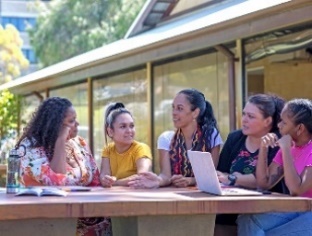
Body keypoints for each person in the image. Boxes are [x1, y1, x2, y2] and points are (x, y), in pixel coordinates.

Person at [16, 97, 111, 236]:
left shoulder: (79, 143)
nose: (77, 124)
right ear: (56, 124)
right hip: (51, 221)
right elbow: (56, 181)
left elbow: (94, 179)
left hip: (89, 217)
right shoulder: (30, 147)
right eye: (71, 121)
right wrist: (60, 139)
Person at [237, 98, 312, 236]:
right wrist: (263, 148)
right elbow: (264, 183)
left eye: (284, 122)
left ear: (300, 128)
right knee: (247, 219)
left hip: (309, 211)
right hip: (298, 209)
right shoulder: (289, 146)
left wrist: (286, 151)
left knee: (273, 233)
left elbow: (296, 189)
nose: (279, 125)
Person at [215, 93, 286, 235]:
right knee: (211, 223)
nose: (244, 120)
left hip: (265, 209)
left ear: (267, 121)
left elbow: (262, 182)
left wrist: (233, 178)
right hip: (232, 204)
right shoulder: (235, 137)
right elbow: (221, 172)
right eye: (244, 114)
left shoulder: (278, 143)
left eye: (251, 116)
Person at [128, 88, 222, 189]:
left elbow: (211, 176)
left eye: (180, 108)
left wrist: (190, 180)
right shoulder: (166, 139)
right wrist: (157, 181)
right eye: (173, 108)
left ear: (195, 113)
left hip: (203, 195)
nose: (174, 112)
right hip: (175, 194)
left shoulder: (211, 135)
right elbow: (166, 176)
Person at [100, 102, 152, 187]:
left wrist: (115, 183)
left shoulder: (141, 148)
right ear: (110, 131)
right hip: (114, 196)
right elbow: (104, 175)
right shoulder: (108, 149)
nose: (129, 131)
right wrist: (105, 180)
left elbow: (143, 177)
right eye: (123, 126)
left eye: (131, 126)